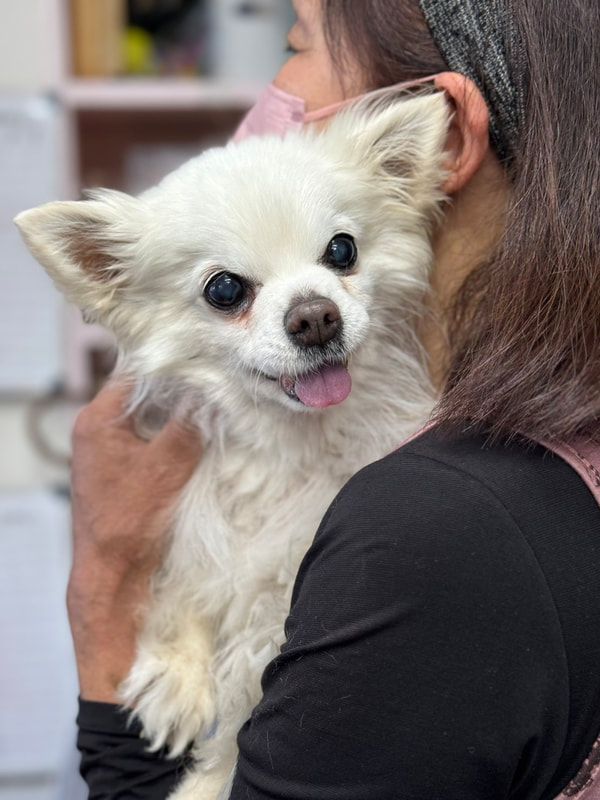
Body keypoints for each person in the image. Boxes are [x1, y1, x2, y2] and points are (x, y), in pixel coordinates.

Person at [70, 0, 600, 798]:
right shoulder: (546, 441)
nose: (277, 90)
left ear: (438, 135)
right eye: (227, 291)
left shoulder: (426, 531)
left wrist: (105, 600)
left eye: (297, 44)